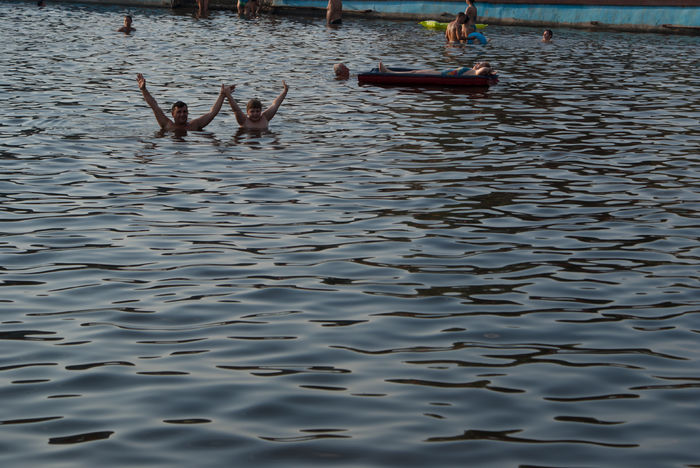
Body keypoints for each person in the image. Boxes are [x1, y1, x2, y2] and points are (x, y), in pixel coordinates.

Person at [136, 73, 231, 132]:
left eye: (185, 112)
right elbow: (154, 106)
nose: (182, 114)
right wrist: (144, 90)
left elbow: (212, 113)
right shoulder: (168, 125)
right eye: (179, 112)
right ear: (172, 114)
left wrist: (222, 95)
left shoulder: (194, 125)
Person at [224, 81, 289, 130]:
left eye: (257, 111)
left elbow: (275, 105)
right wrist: (228, 95)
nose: (255, 114)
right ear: (247, 112)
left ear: (261, 111)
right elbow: (236, 109)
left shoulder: (265, 118)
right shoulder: (243, 120)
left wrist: (285, 91)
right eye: (252, 111)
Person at [377, 61, 496, 77]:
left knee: (414, 73)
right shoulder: (472, 70)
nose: (477, 63)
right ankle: (389, 72)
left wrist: (488, 69)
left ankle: (388, 72)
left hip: (441, 75)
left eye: (480, 63)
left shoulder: (476, 72)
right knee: (415, 72)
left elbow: (484, 70)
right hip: (442, 73)